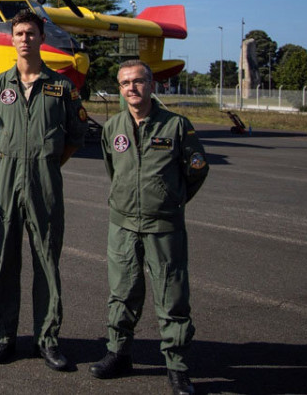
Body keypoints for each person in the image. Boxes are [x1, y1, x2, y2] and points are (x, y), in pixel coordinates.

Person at [90, 60, 208, 395]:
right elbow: (114, 171)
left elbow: (196, 170)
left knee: (171, 297)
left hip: (164, 227)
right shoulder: (112, 128)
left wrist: (171, 201)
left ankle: (177, 367)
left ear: (151, 85)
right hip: (123, 225)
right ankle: (119, 353)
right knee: (122, 292)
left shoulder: (176, 126)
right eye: (125, 83)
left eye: (138, 81)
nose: (131, 88)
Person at [0, 8, 87, 369]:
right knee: (3, 262)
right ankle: (3, 336)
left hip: (45, 184)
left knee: (47, 261)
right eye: (19, 33)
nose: (25, 39)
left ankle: (48, 339)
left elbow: (75, 136)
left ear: (42, 38)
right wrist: (14, 162)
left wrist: (46, 163)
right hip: (5, 184)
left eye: (31, 33)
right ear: (11, 39)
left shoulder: (62, 87)